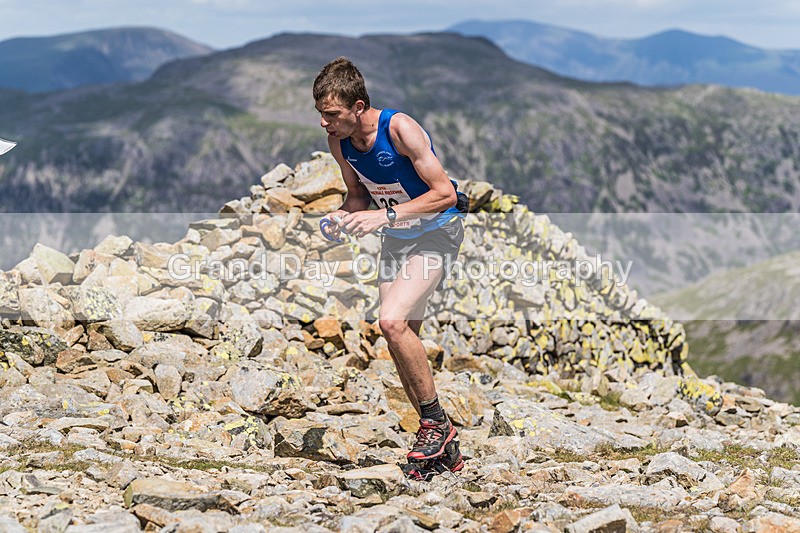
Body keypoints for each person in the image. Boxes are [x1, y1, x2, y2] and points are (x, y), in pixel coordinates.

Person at [313, 57, 466, 476]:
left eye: (332, 114)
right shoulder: (340, 143)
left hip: (438, 231)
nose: (324, 124)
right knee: (401, 340)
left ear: (358, 107)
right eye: (320, 115)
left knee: (391, 322)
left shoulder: (399, 129)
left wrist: (387, 217)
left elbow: (445, 194)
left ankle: (434, 425)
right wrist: (341, 218)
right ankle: (443, 448)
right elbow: (357, 196)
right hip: (397, 237)